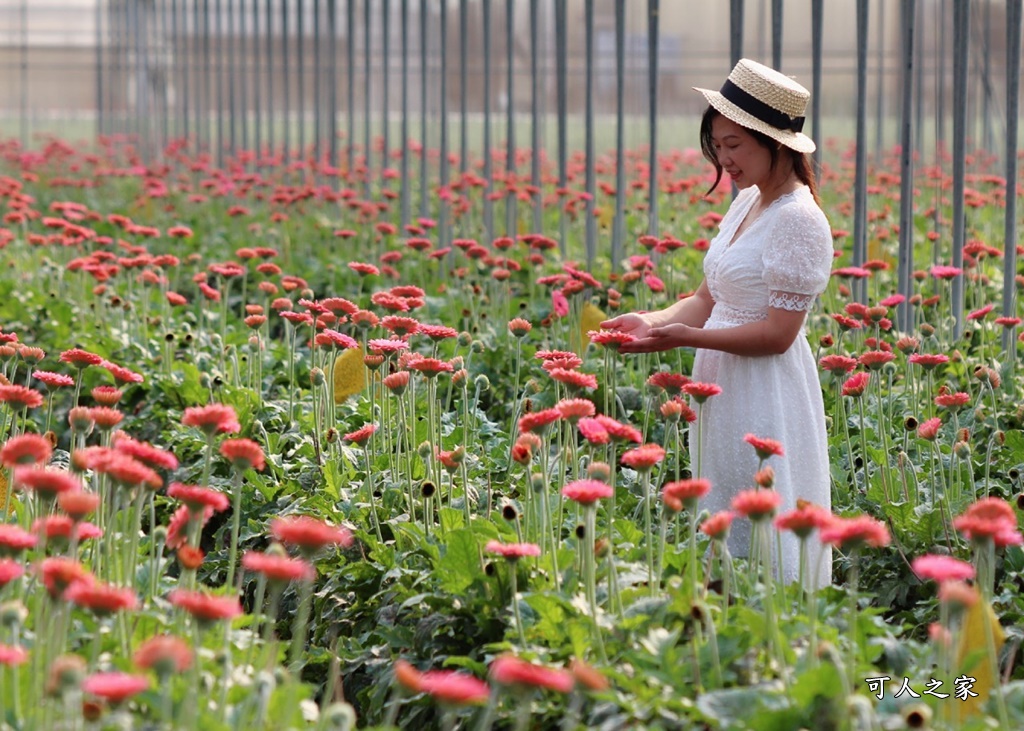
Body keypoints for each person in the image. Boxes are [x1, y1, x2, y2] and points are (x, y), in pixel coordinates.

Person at [600, 58, 833, 589]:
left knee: (766, 521)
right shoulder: (748, 202)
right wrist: (651, 321)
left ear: (776, 143)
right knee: (725, 514)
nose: (723, 158)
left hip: (765, 389)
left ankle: (782, 631)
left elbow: (778, 335)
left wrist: (686, 340)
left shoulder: (798, 219)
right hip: (722, 389)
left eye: (734, 145)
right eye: (717, 145)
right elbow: (707, 298)